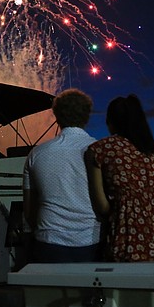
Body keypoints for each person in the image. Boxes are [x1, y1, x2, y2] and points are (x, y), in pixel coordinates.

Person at [85, 94, 154, 262]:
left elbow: (102, 206)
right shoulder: (150, 151)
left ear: (109, 121)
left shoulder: (99, 150)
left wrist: (123, 207)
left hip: (130, 234)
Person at [22, 88, 101, 263]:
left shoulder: (36, 154)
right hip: (92, 241)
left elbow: (29, 211)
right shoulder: (100, 150)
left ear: (56, 116)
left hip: (48, 242)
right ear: (87, 116)